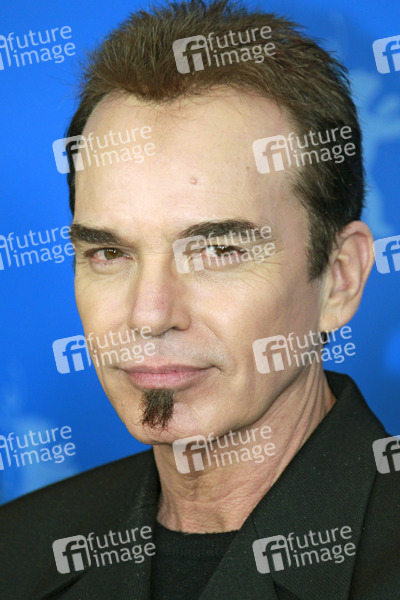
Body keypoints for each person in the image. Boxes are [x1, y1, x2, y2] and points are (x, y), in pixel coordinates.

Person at [1, 1, 399, 598]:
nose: (149, 314)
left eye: (218, 250)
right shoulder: (17, 550)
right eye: (109, 252)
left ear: (339, 279)